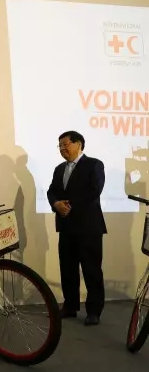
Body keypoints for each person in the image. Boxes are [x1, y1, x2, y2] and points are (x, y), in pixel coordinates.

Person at [47, 130, 106, 326]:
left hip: (88, 227)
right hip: (66, 227)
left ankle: (94, 311)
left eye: (65, 144)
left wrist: (69, 205)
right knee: (67, 269)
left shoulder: (94, 164)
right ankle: (70, 306)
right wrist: (56, 204)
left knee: (91, 270)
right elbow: (51, 191)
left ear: (78, 144)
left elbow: (94, 190)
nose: (62, 148)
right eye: (60, 146)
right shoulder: (59, 169)